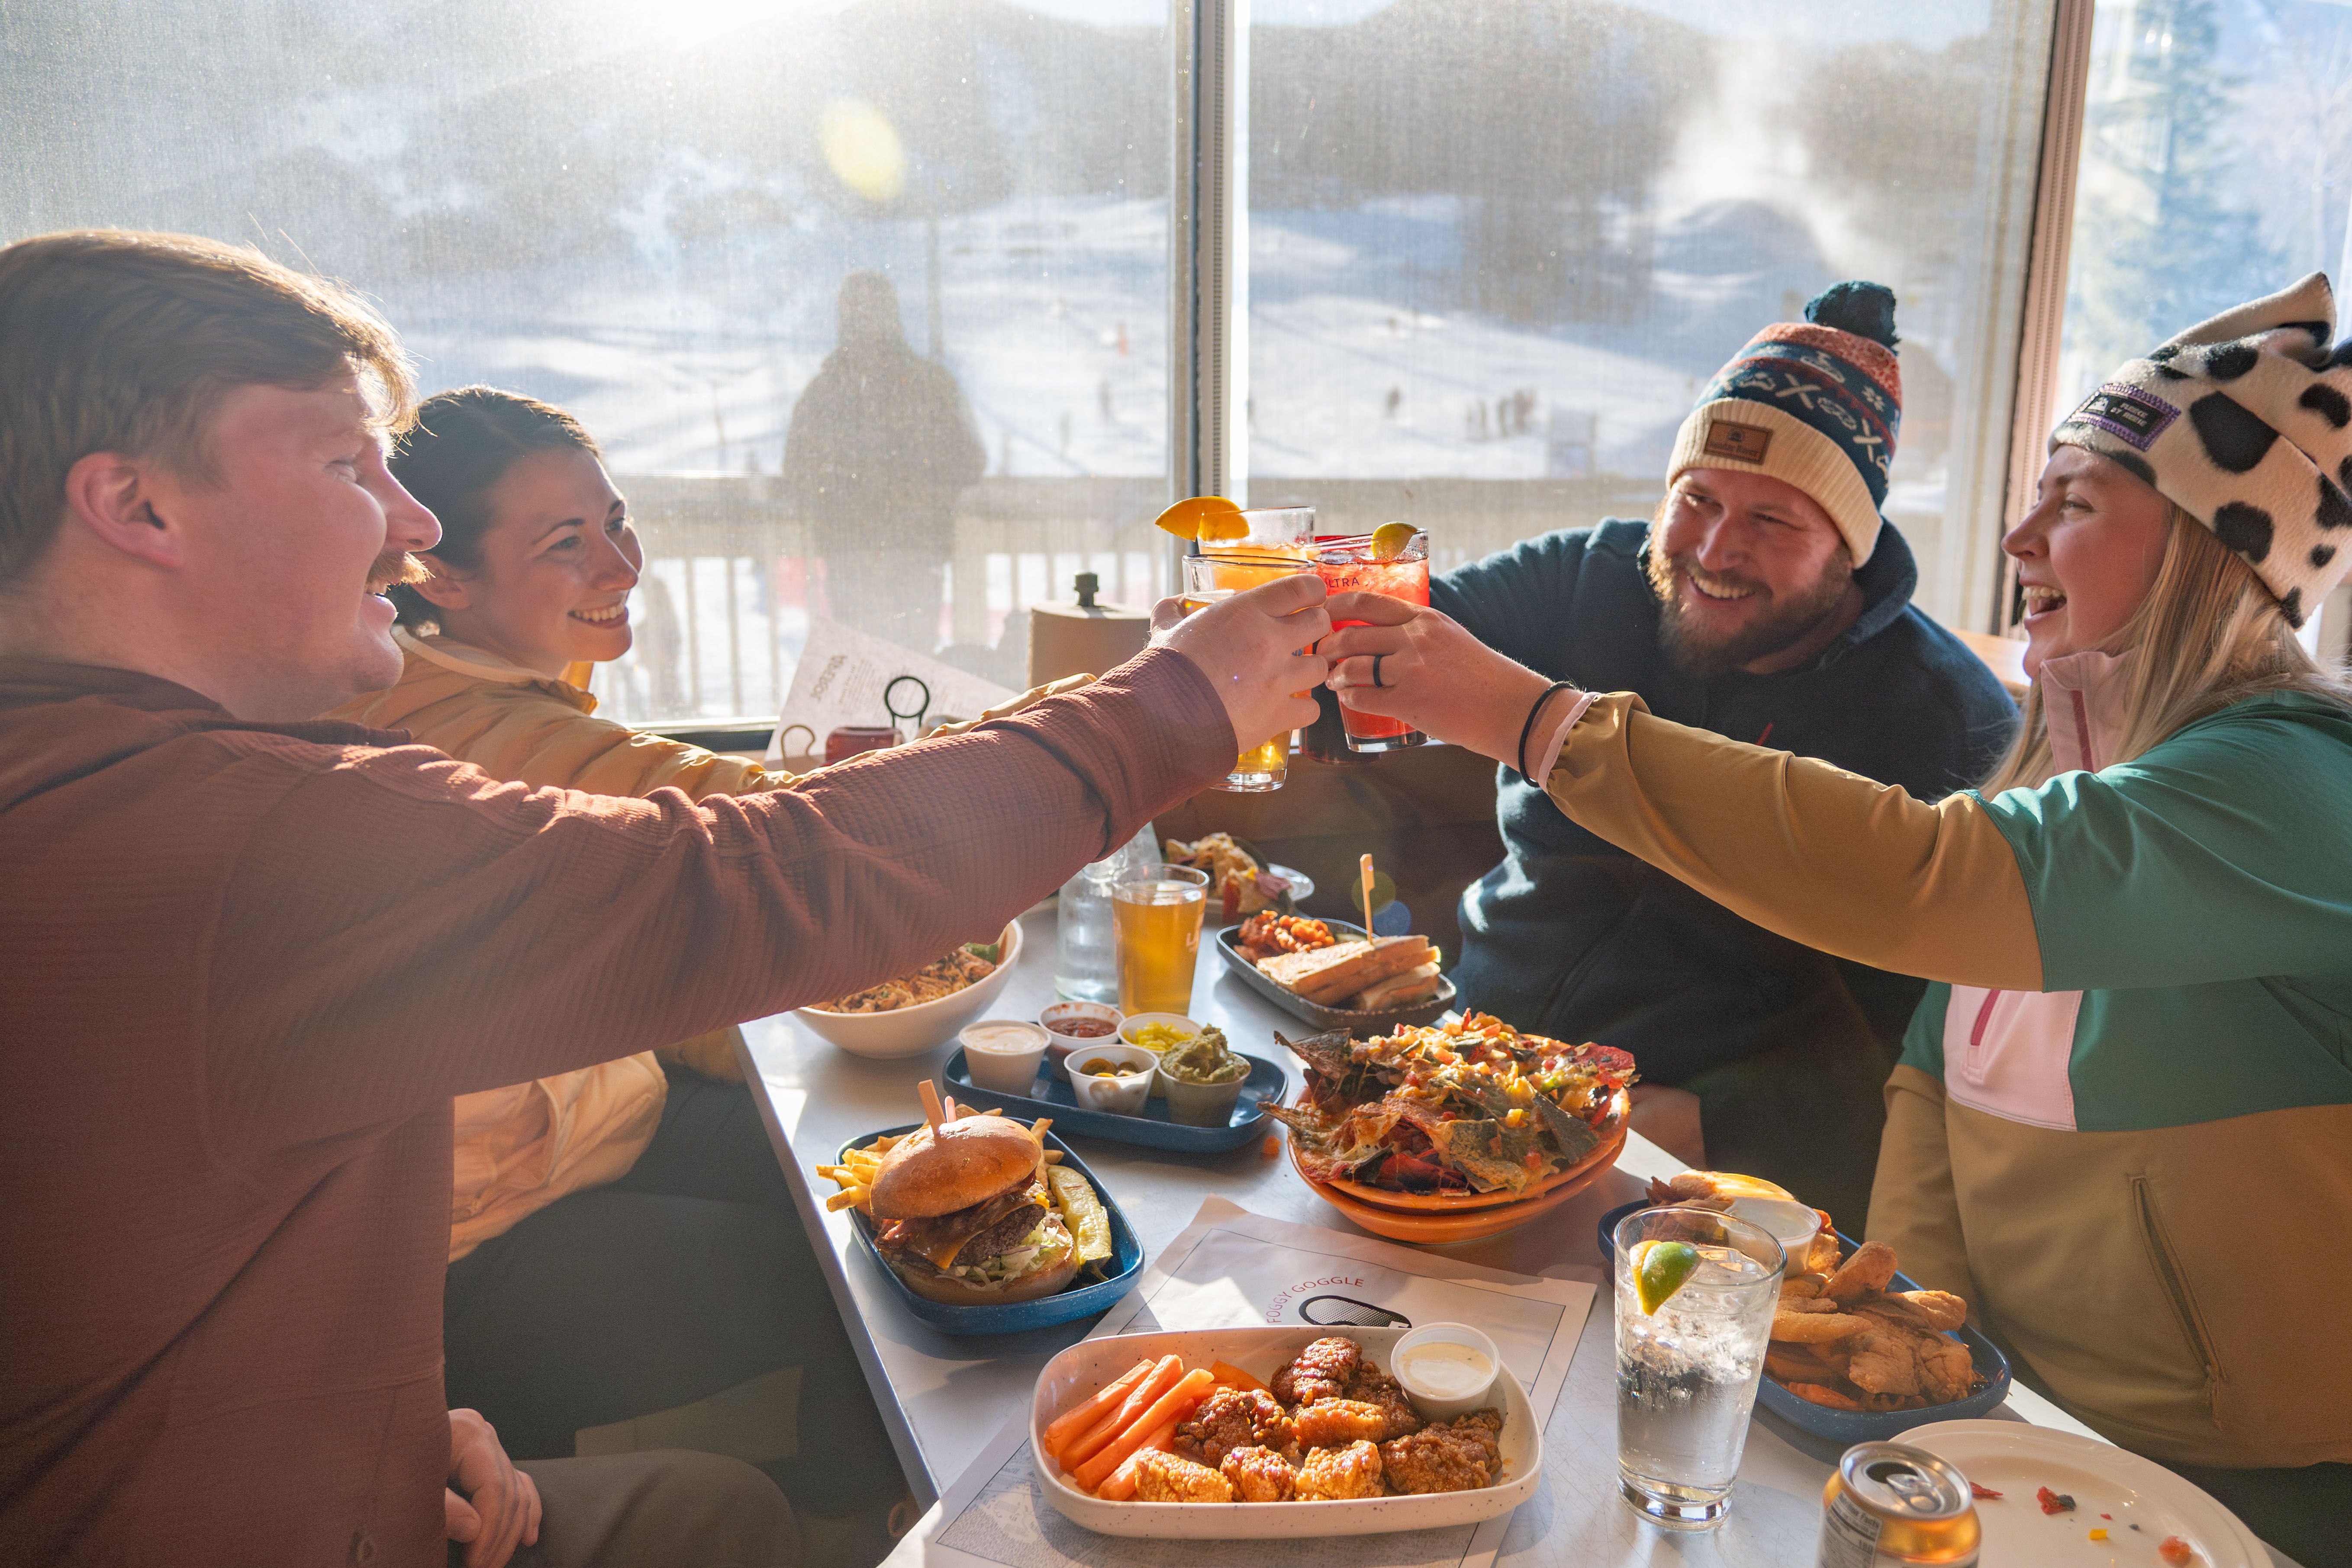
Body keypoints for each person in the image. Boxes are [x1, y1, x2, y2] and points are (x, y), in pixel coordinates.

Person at [0, 229, 1328, 1568]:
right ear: (136, 505)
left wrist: (397, 1422)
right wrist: (1164, 708)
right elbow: (735, 876)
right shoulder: (234, 832)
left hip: (296, 1455)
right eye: (347, 465)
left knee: (724, 1503)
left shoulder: (93, 780)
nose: (405, 527)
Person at [1320, 273, 2352, 1562]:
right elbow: (1927, 1080)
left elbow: (1926, 880)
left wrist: (1540, 726)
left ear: (2214, 550)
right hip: (1996, 1424)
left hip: (2237, 1480)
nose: (2017, 539)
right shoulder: (2061, 767)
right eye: (2027, 498)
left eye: (2072, 503)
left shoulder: (2298, 785)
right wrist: (1899, 1372)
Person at [324, 387, 953, 1560]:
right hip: (468, 1233)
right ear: (436, 574)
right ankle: (865, 1527)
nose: (620, 560)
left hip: (595, 1116)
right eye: (564, 541)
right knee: (865, 1270)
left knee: (867, 1179)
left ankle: (864, 1509)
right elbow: (756, 824)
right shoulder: (454, 729)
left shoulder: (501, 682)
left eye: (616, 519)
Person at [1428, 282, 2016, 1223]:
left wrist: (1721, 1120)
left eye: (1771, 520)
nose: (1712, 547)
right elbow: (1421, 626)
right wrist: (1269, 631)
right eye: (1695, 497)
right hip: (1470, 1051)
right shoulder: (1591, 573)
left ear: (1849, 547)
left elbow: (1932, 1044)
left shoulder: (1945, 718)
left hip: (1695, 1165)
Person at [782, 271, 985, 654]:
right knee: (901, 673)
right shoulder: (928, 385)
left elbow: (798, 472)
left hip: (877, 555)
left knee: (878, 671)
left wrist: (846, 495)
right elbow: (970, 460)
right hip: (893, 555)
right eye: (861, 311)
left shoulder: (828, 393)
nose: (867, 322)